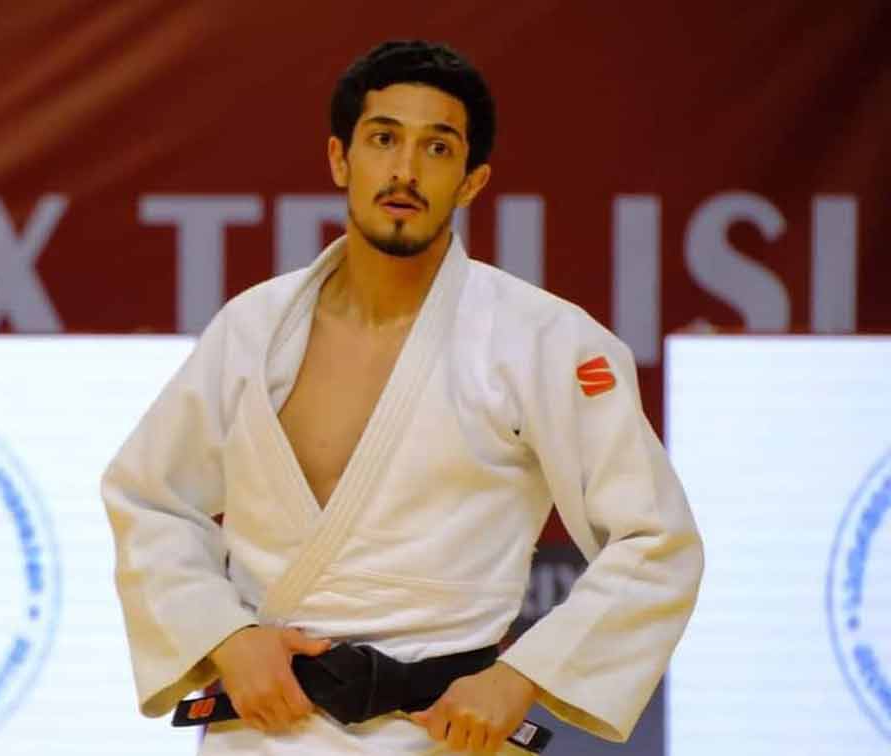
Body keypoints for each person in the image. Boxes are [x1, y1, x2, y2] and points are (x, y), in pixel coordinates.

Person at [102, 40, 703, 755]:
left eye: (438, 148)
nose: (406, 171)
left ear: (472, 181)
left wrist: (521, 678)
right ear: (340, 159)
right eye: (383, 139)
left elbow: (655, 539)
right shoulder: (253, 328)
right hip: (263, 729)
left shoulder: (544, 340)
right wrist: (226, 636)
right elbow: (150, 497)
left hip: (445, 733)